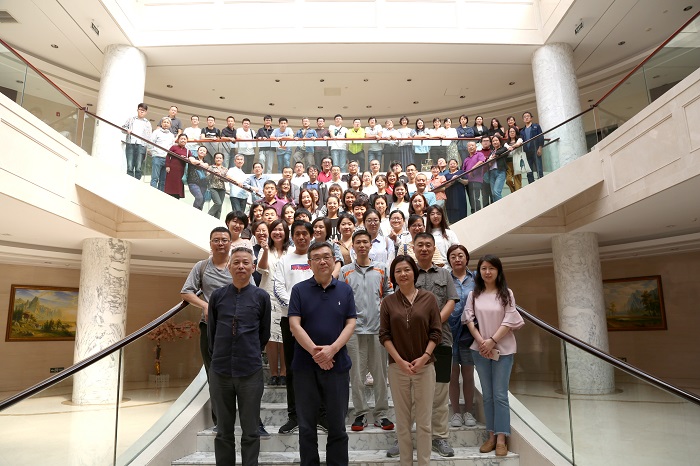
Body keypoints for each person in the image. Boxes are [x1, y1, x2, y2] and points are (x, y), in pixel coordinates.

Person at [288, 241, 356, 466]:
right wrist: (317, 353)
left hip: (337, 366)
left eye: (326, 256)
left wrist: (332, 350)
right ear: (310, 264)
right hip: (305, 367)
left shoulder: (345, 290)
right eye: (316, 258)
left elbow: (350, 323)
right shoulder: (299, 290)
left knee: (337, 426)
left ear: (334, 260)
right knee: (307, 427)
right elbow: (294, 325)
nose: (322, 261)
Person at [207, 246, 271, 466]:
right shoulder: (217, 296)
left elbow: (264, 334)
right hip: (220, 371)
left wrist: (249, 351)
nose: (241, 266)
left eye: (245, 263)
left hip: (250, 371)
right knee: (223, 431)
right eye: (236, 262)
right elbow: (212, 333)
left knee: (251, 430)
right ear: (229, 267)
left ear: (253, 267)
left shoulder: (261, 297)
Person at [379, 255, 441, 466]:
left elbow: (436, 332)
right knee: (403, 422)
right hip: (398, 368)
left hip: (425, 367)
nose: (403, 274)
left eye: (406, 269)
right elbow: (384, 335)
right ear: (393, 276)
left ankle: (424, 462)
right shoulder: (388, 302)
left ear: (414, 272)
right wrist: (399, 361)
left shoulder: (429, 298)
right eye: (398, 271)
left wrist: (425, 357)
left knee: (424, 422)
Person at [463, 254, 524, 457]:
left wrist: (492, 341)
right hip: (480, 350)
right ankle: (491, 436)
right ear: (479, 272)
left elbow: (509, 320)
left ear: (498, 271)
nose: (487, 272)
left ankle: (501, 438)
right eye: (483, 268)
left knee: (500, 395)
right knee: (487, 396)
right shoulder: (474, 294)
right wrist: (482, 341)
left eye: (491, 268)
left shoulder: (507, 293)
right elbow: (469, 319)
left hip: (503, 350)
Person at [181, 227, 235, 429]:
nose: (220, 243)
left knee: (235, 373)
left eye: (224, 240)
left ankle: (239, 416)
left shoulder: (237, 264)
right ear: (210, 243)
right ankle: (220, 421)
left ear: (230, 243)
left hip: (235, 328)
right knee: (214, 374)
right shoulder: (202, 266)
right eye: (216, 240)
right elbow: (186, 292)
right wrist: (205, 305)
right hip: (209, 327)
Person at [342, 229, 394, 432]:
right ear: (353, 246)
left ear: (371, 245)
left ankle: (381, 414)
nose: (362, 245)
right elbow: (342, 299)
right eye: (358, 242)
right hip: (353, 331)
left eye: (365, 242)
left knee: (380, 374)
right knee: (356, 375)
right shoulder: (345, 271)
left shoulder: (382, 268)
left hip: (377, 330)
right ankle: (360, 413)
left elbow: (388, 294)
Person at [413, 232, 459, 458]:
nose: (424, 248)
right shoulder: (407, 273)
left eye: (428, 245)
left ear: (434, 248)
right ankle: (410, 437)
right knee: (413, 393)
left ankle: (439, 437)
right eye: (420, 245)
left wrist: (434, 324)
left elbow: (451, 301)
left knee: (440, 392)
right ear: (414, 248)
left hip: (442, 339)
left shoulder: (445, 274)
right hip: (412, 342)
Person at [272, 220, 315, 434]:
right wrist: (296, 310)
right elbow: (278, 288)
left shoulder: (316, 258)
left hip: (316, 319)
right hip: (289, 319)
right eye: (297, 233)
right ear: (293, 236)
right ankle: (294, 415)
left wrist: (311, 310)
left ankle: (320, 414)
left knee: (318, 366)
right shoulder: (284, 261)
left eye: (305, 233)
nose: (301, 237)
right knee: (292, 369)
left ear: (311, 236)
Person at [446, 245, 476, 428]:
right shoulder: (445, 278)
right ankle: (456, 412)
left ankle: (469, 411)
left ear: (466, 258)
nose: (457, 259)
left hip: (469, 333)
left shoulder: (476, 278)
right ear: (449, 260)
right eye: (453, 256)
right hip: (449, 331)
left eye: (460, 256)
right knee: (452, 374)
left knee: (468, 373)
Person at [257, 219, 290, 386]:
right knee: (270, 336)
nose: (278, 232)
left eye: (281, 229)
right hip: (268, 296)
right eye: (275, 229)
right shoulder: (265, 250)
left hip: (286, 297)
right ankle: (273, 373)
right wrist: (264, 251)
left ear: (286, 233)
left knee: (284, 336)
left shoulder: (291, 251)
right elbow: (261, 269)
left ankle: (284, 372)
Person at [122, 103, 152, 179]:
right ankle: (128, 182)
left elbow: (149, 136)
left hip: (141, 145)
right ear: (137, 110)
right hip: (130, 143)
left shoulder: (147, 123)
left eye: (143, 110)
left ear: (146, 112)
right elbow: (123, 128)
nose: (141, 111)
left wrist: (148, 147)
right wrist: (127, 130)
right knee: (129, 166)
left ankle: (136, 183)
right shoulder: (131, 119)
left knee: (138, 167)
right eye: (140, 109)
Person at [149, 116, 175, 191]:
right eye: (164, 122)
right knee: (155, 178)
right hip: (157, 157)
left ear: (170, 124)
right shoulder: (156, 132)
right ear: (161, 123)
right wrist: (154, 152)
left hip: (167, 159)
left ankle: (160, 195)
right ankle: (152, 193)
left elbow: (172, 147)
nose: (166, 124)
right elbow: (150, 143)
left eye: (167, 122)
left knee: (163, 180)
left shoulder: (171, 135)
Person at [462, 141, 487, 213]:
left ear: (476, 147)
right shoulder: (466, 159)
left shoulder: (479, 154)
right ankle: (473, 213)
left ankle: (477, 213)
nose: (471, 147)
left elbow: (481, 161)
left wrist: (472, 169)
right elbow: (463, 171)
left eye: (472, 145)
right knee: (471, 199)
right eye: (469, 146)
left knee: (475, 198)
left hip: (476, 180)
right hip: (468, 182)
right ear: (467, 148)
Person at [440, 159, 468, 225]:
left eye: (454, 163)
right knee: (451, 210)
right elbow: (444, 186)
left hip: (460, 194)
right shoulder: (446, 175)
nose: (452, 165)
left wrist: (459, 179)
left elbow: (466, 182)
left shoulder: (461, 172)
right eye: (451, 164)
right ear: (448, 166)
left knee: (461, 209)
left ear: (457, 164)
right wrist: (452, 181)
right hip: (449, 195)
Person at [521, 111, 545, 183]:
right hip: (526, 152)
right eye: (525, 117)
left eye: (528, 116)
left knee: (539, 168)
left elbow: (541, 136)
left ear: (531, 118)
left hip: (535, 150)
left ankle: (542, 183)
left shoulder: (536, 126)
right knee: (529, 171)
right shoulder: (522, 131)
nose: (526, 118)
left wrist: (540, 148)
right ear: (523, 119)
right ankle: (531, 185)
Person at [187, 146, 210, 211]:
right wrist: (201, 163)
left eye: (204, 151)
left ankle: (199, 213)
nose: (202, 152)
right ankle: (194, 212)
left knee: (202, 200)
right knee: (199, 197)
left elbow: (206, 166)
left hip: (203, 183)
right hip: (193, 182)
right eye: (200, 150)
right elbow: (193, 161)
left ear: (206, 154)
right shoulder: (192, 157)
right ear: (197, 151)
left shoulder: (206, 161)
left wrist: (198, 163)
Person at [165, 134, 188, 199]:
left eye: (184, 139)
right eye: (181, 139)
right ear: (178, 140)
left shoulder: (187, 151)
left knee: (178, 186)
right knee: (170, 186)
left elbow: (190, 159)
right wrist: (167, 166)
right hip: (172, 169)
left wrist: (186, 158)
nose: (183, 140)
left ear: (187, 141)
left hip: (181, 171)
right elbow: (168, 156)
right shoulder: (173, 147)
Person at [487, 135, 509, 202]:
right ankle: (496, 207)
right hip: (491, 172)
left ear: (500, 141)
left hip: (500, 172)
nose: (495, 142)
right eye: (493, 141)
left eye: (496, 140)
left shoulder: (503, 149)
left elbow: (501, 151)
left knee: (496, 191)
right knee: (493, 193)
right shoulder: (491, 152)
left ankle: (502, 207)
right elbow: (488, 162)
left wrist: (493, 156)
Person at [208, 153, 228, 219]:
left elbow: (226, 180)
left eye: (220, 158)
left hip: (222, 189)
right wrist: (212, 174)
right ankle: (208, 215)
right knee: (218, 203)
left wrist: (220, 175)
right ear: (214, 159)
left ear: (222, 159)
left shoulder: (225, 169)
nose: (218, 159)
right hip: (213, 187)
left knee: (219, 208)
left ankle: (217, 221)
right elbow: (207, 178)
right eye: (217, 158)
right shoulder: (211, 167)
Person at [504, 126, 524, 193]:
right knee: (508, 180)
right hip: (508, 162)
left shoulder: (519, 139)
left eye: (513, 131)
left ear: (516, 132)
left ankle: (517, 193)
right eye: (510, 132)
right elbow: (506, 148)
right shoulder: (506, 143)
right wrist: (509, 147)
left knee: (517, 180)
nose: (512, 133)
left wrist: (511, 147)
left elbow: (518, 144)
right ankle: (514, 191)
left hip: (517, 161)